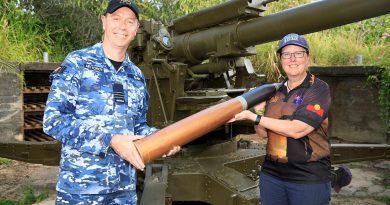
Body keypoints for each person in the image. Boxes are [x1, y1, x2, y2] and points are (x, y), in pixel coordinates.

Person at [43, 1, 180, 204]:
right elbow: (53, 120)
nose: (122, 27)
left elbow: (138, 126)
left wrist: (160, 140)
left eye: (130, 21)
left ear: (136, 29)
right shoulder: (77, 63)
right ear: (104, 21)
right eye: (116, 19)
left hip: (123, 192)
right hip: (81, 192)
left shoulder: (136, 76)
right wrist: (110, 140)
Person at [230, 33, 332, 205]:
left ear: (307, 58)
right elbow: (262, 133)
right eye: (286, 54)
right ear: (281, 59)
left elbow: (297, 130)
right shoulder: (274, 91)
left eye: (298, 53)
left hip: (307, 177)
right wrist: (260, 111)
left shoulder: (319, 89)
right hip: (272, 176)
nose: (292, 59)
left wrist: (251, 116)